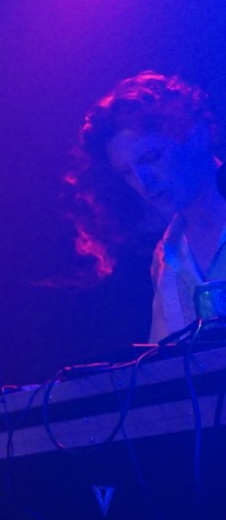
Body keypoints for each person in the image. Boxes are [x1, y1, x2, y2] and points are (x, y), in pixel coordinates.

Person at [66, 71, 226, 342]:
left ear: (197, 135)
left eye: (151, 157)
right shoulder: (166, 256)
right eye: (127, 173)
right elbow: (165, 360)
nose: (142, 181)